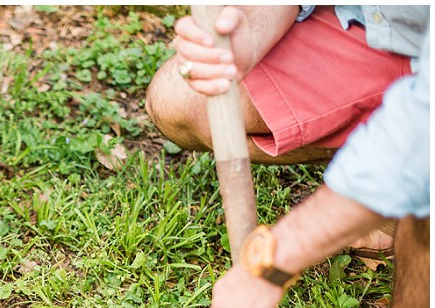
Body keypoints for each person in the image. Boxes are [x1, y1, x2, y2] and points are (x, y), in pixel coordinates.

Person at [148, 6, 430, 308]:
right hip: (374, 28)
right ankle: (372, 195)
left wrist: (271, 263)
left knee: (425, 170)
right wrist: (249, 34)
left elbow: (423, 130)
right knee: (183, 98)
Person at [146, 6, 429, 262]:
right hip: (365, 23)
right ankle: (388, 189)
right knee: (184, 100)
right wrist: (252, 32)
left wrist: (277, 266)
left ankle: (396, 191)